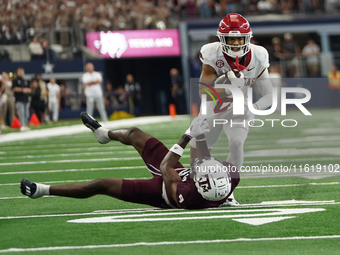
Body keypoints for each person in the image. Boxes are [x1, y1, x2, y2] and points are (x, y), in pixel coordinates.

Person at [20, 113, 240, 209]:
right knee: (134, 133)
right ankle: (103, 134)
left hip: (161, 190)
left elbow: (166, 167)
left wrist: (187, 135)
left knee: (100, 185)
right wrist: (200, 133)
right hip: (180, 175)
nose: (202, 163)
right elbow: (202, 160)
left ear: (199, 185)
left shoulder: (190, 197)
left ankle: (42, 190)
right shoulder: (229, 177)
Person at [191, 13, 273, 205]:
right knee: (199, 150)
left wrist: (253, 107)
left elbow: (270, 95)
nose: (235, 43)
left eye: (239, 38)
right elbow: (204, 92)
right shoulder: (212, 53)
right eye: (231, 38)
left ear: (247, 38)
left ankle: (228, 192)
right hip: (213, 106)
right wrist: (230, 87)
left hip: (239, 107)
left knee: (237, 142)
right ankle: (199, 188)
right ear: (222, 39)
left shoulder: (259, 55)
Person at [11, 67, 31, 131]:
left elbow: (30, 89)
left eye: (22, 71)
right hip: (19, 99)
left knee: (26, 113)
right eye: (20, 71)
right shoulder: (15, 80)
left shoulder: (25, 81)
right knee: (21, 112)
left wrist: (27, 90)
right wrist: (22, 90)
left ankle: (25, 124)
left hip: (26, 99)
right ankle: (22, 125)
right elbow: (14, 88)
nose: (21, 73)